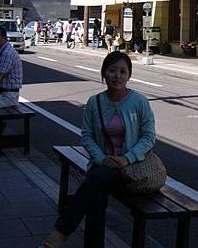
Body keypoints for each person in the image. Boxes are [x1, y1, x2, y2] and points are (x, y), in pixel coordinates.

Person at [41, 51, 156, 248]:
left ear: (129, 75)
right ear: (103, 74)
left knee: (94, 183)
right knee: (96, 193)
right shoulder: (95, 102)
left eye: (122, 71)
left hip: (130, 171)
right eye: (112, 70)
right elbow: (86, 135)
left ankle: (59, 233)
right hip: (102, 167)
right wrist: (101, 158)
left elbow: (149, 136)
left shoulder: (139, 101)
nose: (117, 76)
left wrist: (127, 158)